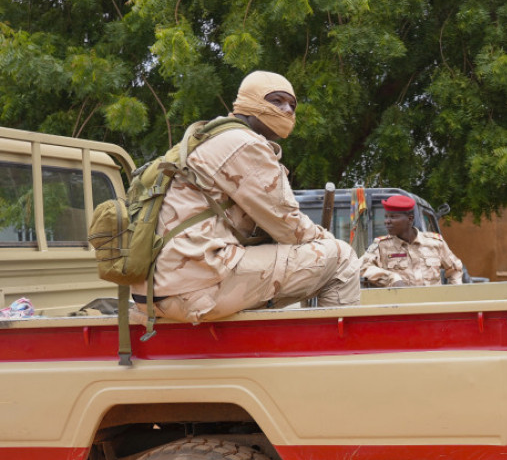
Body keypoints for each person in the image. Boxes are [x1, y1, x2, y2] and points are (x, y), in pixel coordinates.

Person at [133, 70, 360, 324]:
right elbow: (291, 229)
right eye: (277, 101)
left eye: (292, 105)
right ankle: (335, 355)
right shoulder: (244, 144)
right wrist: (324, 239)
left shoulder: (210, 137)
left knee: (275, 253)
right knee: (341, 256)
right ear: (250, 101)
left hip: (156, 291)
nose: (287, 110)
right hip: (196, 287)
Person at [360, 195, 464, 287]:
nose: (387, 221)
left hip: (432, 305)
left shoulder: (435, 243)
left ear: (410, 219)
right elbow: (362, 268)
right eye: (386, 217)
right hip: (400, 306)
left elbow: (455, 269)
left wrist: (453, 292)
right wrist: (392, 279)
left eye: (393, 217)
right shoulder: (381, 245)